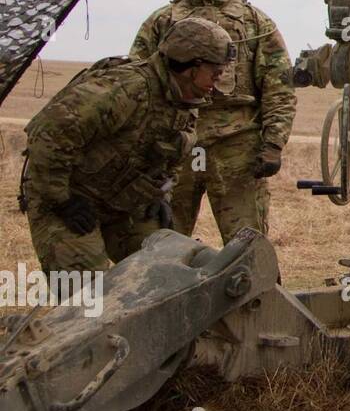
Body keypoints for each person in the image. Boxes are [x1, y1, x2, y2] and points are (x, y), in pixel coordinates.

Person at [22, 18, 233, 274]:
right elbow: (47, 135)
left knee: (174, 273)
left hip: (125, 207)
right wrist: (62, 200)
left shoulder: (185, 100)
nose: (218, 80)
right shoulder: (125, 89)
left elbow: (171, 158)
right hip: (69, 200)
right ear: (191, 66)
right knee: (89, 295)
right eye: (215, 72)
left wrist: (162, 197)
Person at [131, 0, 297, 242]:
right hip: (176, 144)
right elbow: (139, 82)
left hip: (236, 146)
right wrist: (143, 146)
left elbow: (279, 87)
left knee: (246, 244)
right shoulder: (164, 21)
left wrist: (273, 143)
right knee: (161, 242)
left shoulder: (255, 23)